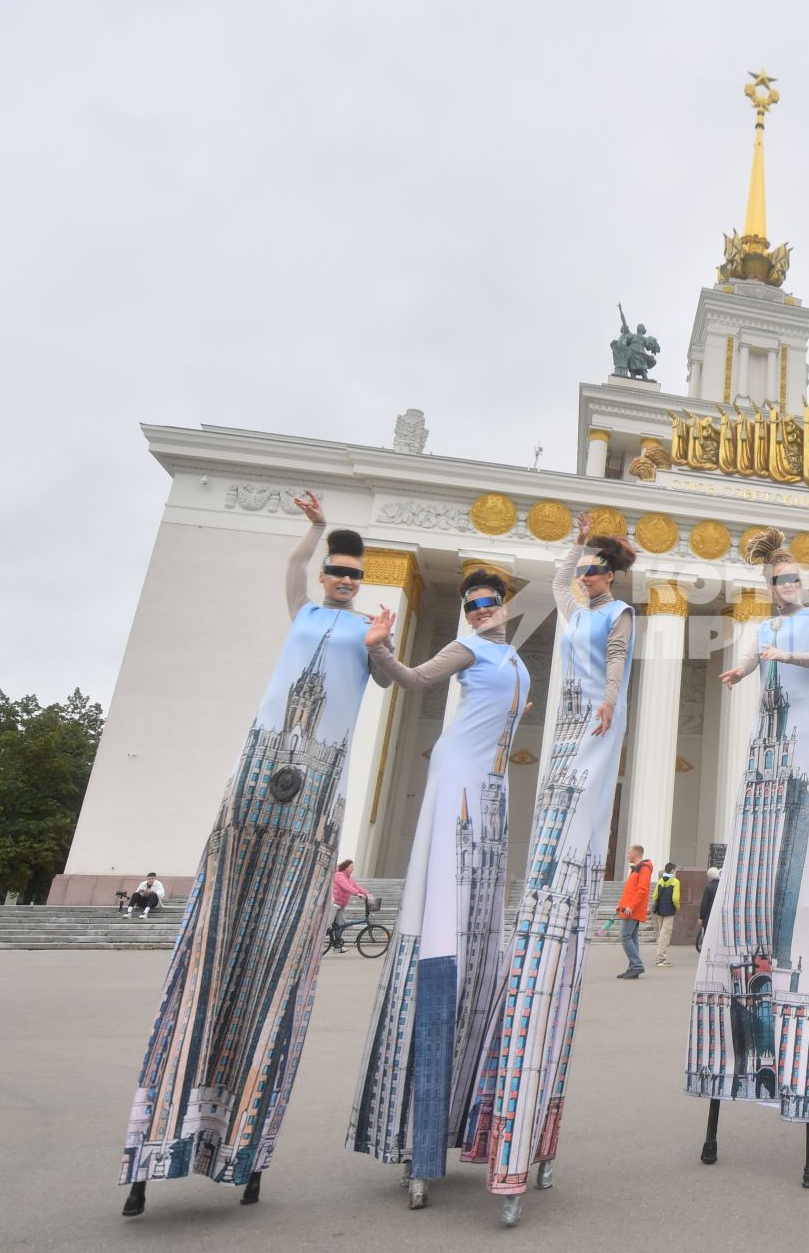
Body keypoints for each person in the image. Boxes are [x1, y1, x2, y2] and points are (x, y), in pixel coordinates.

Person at [121, 492, 389, 1217]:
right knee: (215, 944)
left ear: (362, 581)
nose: (339, 577)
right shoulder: (303, 612)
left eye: (349, 572)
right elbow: (293, 566)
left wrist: (383, 644)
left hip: (312, 805)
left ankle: (244, 1144)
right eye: (335, 568)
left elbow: (393, 679)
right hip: (251, 794)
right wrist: (310, 527)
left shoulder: (367, 629)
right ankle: (161, 1140)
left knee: (277, 964)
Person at [460, 512, 637, 1226]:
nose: (588, 576)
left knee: (576, 807)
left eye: (598, 567)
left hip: (595, 718)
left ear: (614, 577)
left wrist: (610, 704)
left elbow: (619, 666)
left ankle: (568, 877)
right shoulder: (571, 604)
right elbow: (557, 579)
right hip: (562, 720)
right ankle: (548, 876)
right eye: (587, 568)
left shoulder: (620, 615)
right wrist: (573, 543)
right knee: (553, 800)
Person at [347, 568, 529, 1208]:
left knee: (483, 929)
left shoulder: (511, 652)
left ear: (505, 604)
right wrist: (379, 650)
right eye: (472, 603)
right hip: (458, 781)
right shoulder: (469, 647)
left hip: (493, 788)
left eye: (489, 601)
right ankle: (419, 1135)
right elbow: (419, 680)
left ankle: (471, 1121)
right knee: (445, 918)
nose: (481, 610)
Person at [688, 527, 809, 1183]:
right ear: (767, 585)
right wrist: (741, 666)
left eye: (792, 578)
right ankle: (728, 1079)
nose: (786, 587)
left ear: (802, 582)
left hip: (800, 758)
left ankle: (803, 1101)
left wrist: (777, 647)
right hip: (764, 755)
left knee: (796, 888)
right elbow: (754, 662)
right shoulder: (759, 628)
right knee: (747, 873)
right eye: (777, 580)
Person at [617, 846, 652, 979]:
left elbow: (642, 890)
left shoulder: (644, 868)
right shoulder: (637, 869)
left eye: (629, 853)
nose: (627, 855)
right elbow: (630, 891)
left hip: (632, 910)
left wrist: (630, 906)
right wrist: (621, 905)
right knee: (632, 937)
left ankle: (637, 966)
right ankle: (634, 967)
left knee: (625, 937)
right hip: (630, 908)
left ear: (635, 854)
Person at [650, 862, 682, 968]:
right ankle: (661, 959)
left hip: (659, 910)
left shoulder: (660, 881)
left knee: (661, 933)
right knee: (666, 933)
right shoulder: (675, 881)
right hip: (669, 910)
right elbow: (675, 898)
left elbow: (654, 896)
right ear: (672, 870)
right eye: (675, 870)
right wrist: (677, 907)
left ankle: (660, 957)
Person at [696, 866, 720, 952]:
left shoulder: (709, 888)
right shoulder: (723, 886)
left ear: (709, 877)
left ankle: (708, 951)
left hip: (709, 917)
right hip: (720, 916)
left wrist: (701, 917)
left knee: (709, 935)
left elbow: (704, 904)